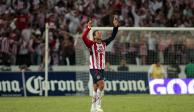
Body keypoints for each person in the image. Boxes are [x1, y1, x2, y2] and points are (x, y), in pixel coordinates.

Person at [82, 17, 119, 112]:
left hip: (101, 69)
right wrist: (89, 27)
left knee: (95, 88)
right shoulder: (91, 44)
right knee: (102, 85)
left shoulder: (104, 43)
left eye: (100, 32)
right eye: (98, 33)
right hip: (94, 68)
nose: (100, 33)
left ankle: (92, 108)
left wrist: (115, 27)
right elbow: (83, 37)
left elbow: (112, 37)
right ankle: (98, 106)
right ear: (94, 36)